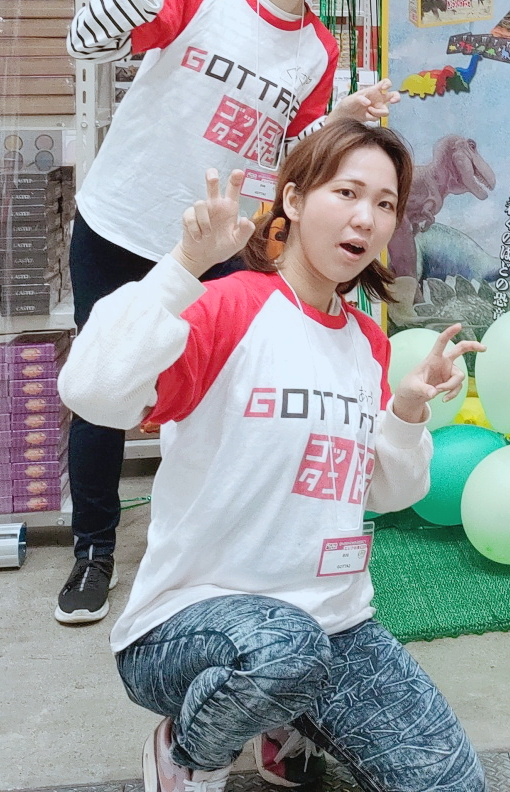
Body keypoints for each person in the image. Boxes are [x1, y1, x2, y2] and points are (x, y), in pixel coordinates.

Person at [57, 122, 484, 792]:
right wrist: (182, 267)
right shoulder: (229, 307)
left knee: (452, 784)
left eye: (384, 203)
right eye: (346, 192)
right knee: (285, 650)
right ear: (293, 199)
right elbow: (91, 391)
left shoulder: (367, 343)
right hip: (190, 624)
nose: (366, 218)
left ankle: (281, 719)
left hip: (334, 624)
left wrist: (404, 411)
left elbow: (385, 493)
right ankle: (189, 751)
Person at [59, 0, 400, 624]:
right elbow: (87, 42)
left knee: (209, 395)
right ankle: (93, 548)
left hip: (219, 241)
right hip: (120, 223)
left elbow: (292, 153)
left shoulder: (318, 47)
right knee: (105, 384)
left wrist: (341, 115)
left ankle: (197, 546)